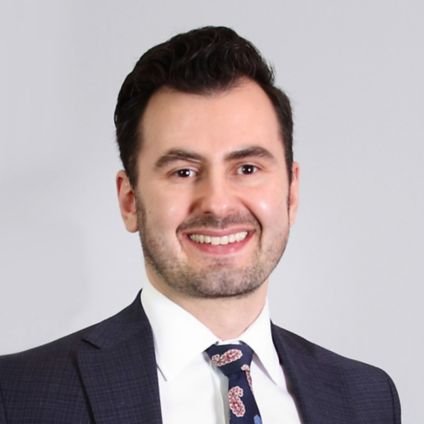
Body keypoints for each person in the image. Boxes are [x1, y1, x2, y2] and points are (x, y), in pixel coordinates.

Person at [0, 26, 401, 423]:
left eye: (247, 168)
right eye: (183, 172)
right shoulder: (18, 396)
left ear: (291, 193)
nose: (218, 204)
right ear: (129, 201)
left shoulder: (367, 399)